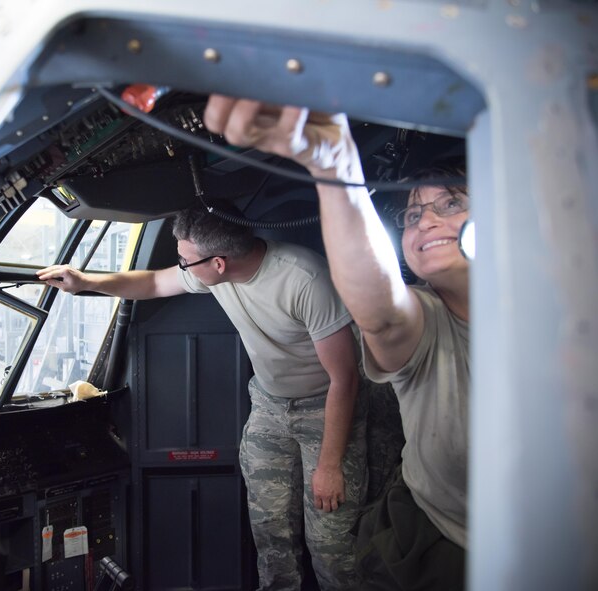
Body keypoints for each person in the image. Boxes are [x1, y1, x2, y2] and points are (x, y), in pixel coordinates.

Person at [202, 97, 468, 589]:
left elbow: (344, 377)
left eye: (450, 204)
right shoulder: (422, 319)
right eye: (412, 215)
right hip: (440, 538)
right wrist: (334, 170)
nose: (424, 221)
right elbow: (381, 315)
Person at [38, 210, 368, 590]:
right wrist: (85, 282)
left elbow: (345, 378)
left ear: (218, 263)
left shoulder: (305, 279)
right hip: (269, 405)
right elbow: (153, 283)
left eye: (185, 260)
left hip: (324, 408)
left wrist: (328, 467)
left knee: (331, 543)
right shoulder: (211, 270)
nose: (181, 266)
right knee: (270, 530)